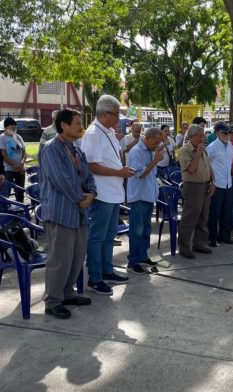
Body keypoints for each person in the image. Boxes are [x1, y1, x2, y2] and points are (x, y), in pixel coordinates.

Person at [39, 109, 95, 319]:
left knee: (77, 257)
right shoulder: (51, 148)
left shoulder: (77, 150)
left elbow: (88, 176)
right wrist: (80, 198)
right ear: (63, 125)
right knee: (60, 259)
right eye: (77, 123)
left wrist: (91, 194)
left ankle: (67, 293)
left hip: (79, 213)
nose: (81, 127)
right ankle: (53, 301)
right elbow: (59, 179)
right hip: (61, 212)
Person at [81, 95, 134, 295]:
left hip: (114, 192)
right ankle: (95, 278)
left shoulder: (109, 131)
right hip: (102, 193)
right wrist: (119, 172)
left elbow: (112, 159)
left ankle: (106, 270)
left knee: (109, 236)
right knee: (97, 237)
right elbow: (92, 165)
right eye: (116, 114)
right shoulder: (93, 133)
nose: (118, 118)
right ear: (104, 114)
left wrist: (121, 169)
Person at [126, 127, 164, 274]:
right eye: (155, 142)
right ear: (147, 138)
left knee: (146, 230)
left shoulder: (150, 150)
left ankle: (142, 255)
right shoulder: (136, 152)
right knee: (137, 230)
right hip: (139, 196)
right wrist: (155, 161)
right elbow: (140, 174)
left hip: (148, 195)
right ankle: (133, 261)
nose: (157, 145)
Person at [177, 124, 214, 259]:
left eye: (203, 135)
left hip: (205, 185)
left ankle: (200, 243)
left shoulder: (203, 149)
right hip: (193, 187)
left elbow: (208, 167)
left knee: (203, 217)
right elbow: (191, 170)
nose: (203, 138)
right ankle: (184, 247)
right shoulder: (185, 151)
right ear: (192, 136)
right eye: (200, 136)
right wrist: (198, 153)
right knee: (190, 218)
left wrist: (212, 182)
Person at [206, 122, 233, 246]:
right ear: (218, 133)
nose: (227, 135)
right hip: (216, 184)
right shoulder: (212, 147)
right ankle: (212, 238)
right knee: (214, 213)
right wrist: (211, 182)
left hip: (228, 183)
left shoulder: (230, 146)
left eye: (228, 132)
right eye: (225, 133)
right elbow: (207, 165)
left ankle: (225, 236)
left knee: (227, 212)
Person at [0, 117, 27, 202]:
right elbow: (3, 154)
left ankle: (20, 207)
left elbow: (24, 152)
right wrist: (14, 165)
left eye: (15, 128)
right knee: (6, 190)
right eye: (11, 128)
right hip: (8, 169)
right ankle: (5, 208)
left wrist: (21, 164)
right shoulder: (1, 138)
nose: (13, 129)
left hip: (20, 169)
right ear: (6, 128)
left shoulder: (18, 137)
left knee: (20, 190)